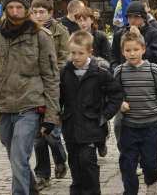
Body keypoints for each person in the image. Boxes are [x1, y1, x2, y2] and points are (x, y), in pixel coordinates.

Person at [0, 0, 60, 195]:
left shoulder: (41, 37)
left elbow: (51, 78)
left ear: (26, 8)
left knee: (19, 157)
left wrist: (51, 116)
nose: (15, 12)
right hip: (6, 107)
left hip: (30, 106)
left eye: (20, 7)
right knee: (15, 159)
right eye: (11, 8)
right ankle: (31, 190)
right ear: (5, 9)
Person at [60, 30, 123, 195]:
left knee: (87, 160)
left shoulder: (100, 73)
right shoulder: (64, 73)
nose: (76, 57)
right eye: (73, 53)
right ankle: (77, 190)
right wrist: (58, 115)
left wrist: (105, 115)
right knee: (74, 161)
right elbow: (58, 96)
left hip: (92, 124)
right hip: (71, 125)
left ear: (90, 52)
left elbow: (116, 94)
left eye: (80, 53)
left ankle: (92, 191)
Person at [114, 27, 157, 195]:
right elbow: (112, 96)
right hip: (129, 127)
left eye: (136, 49)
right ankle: (130, 191)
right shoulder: (120, 71)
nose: (132, 53)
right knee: (127, 164)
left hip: (151, 127)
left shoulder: (154, 71)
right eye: (128, 50)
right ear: (123, 52)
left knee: (150, 163)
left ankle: (151, 185)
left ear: (143, 49)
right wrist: (120, 103)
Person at [31, 0, 69, 190]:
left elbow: (65, 57)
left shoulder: (60, 32)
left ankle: (60, 157)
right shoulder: (27, 31)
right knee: (38, 135)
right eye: (35, 11)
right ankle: (42, 174)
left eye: (42, 12)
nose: (38, 15)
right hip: (33, 89)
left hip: (55, 86)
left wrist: (51, 71)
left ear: (50, 13)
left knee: (52, 132)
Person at [111, 1, 157, 71]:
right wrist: (117, 71)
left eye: (136, 17)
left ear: (144, 18)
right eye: (129, 17)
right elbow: (114, 57)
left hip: (146, 74)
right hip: (124, 74)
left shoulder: (155, 33)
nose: (132, 20)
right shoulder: (119, 34)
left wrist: (140, 37)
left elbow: (155, 57)